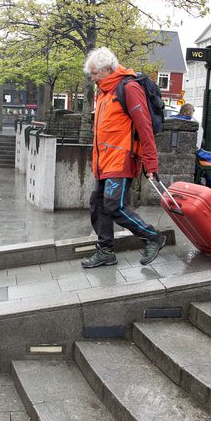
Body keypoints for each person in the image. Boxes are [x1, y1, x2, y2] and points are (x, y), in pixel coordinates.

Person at [81, 47, 167, 268]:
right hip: (104, 162)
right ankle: (106, 251)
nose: (92, 77)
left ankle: (152, 237)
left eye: (95, 73)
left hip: (121, 160)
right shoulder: (103, 93)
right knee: (97, 205)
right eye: (90, 73)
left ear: (109, 69)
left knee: (114, 206)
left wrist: (151, 162)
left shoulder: (128, 88)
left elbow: (144, 127)